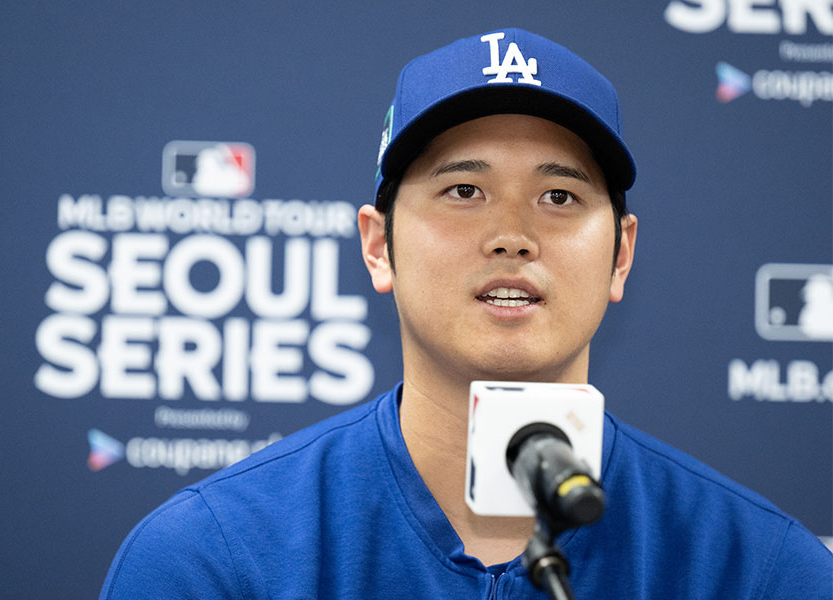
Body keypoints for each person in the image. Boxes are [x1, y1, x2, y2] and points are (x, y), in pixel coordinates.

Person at [99, 29, 832, 599]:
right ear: (378, 246)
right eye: (463, 191)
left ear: (621, 256)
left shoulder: (759, 568)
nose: (511, 235)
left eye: (559, 197)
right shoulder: (213, 556)